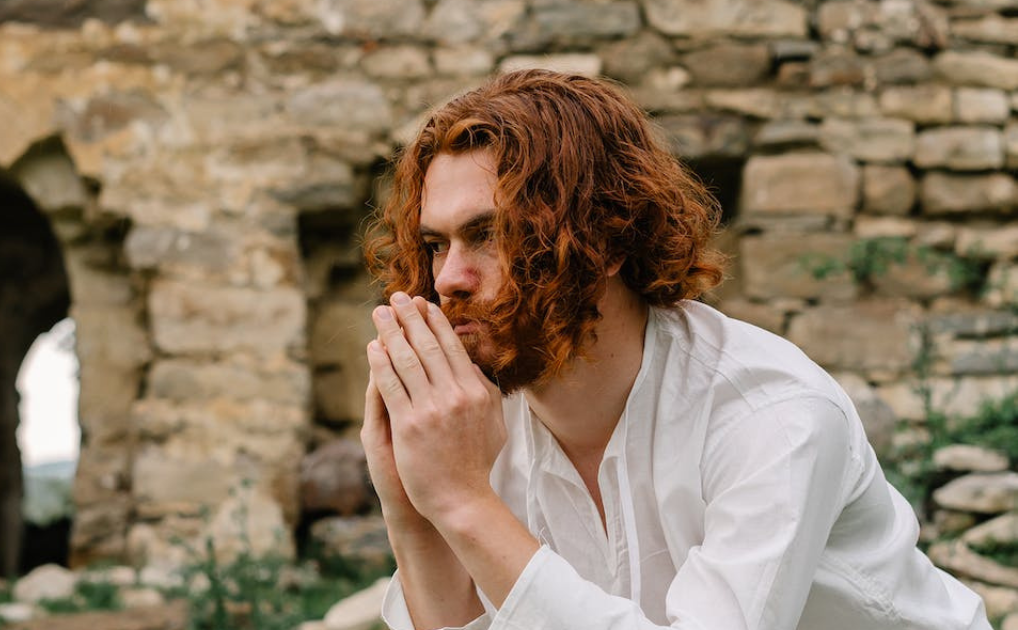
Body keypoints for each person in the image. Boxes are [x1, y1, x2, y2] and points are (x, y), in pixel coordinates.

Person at [359, 69, 989, 630]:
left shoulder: (770, 414)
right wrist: (413, 509)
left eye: (488, 234)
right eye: (438, 244)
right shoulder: (477, 426)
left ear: (603, 240)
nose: (447, 279)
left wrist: (465, 503)